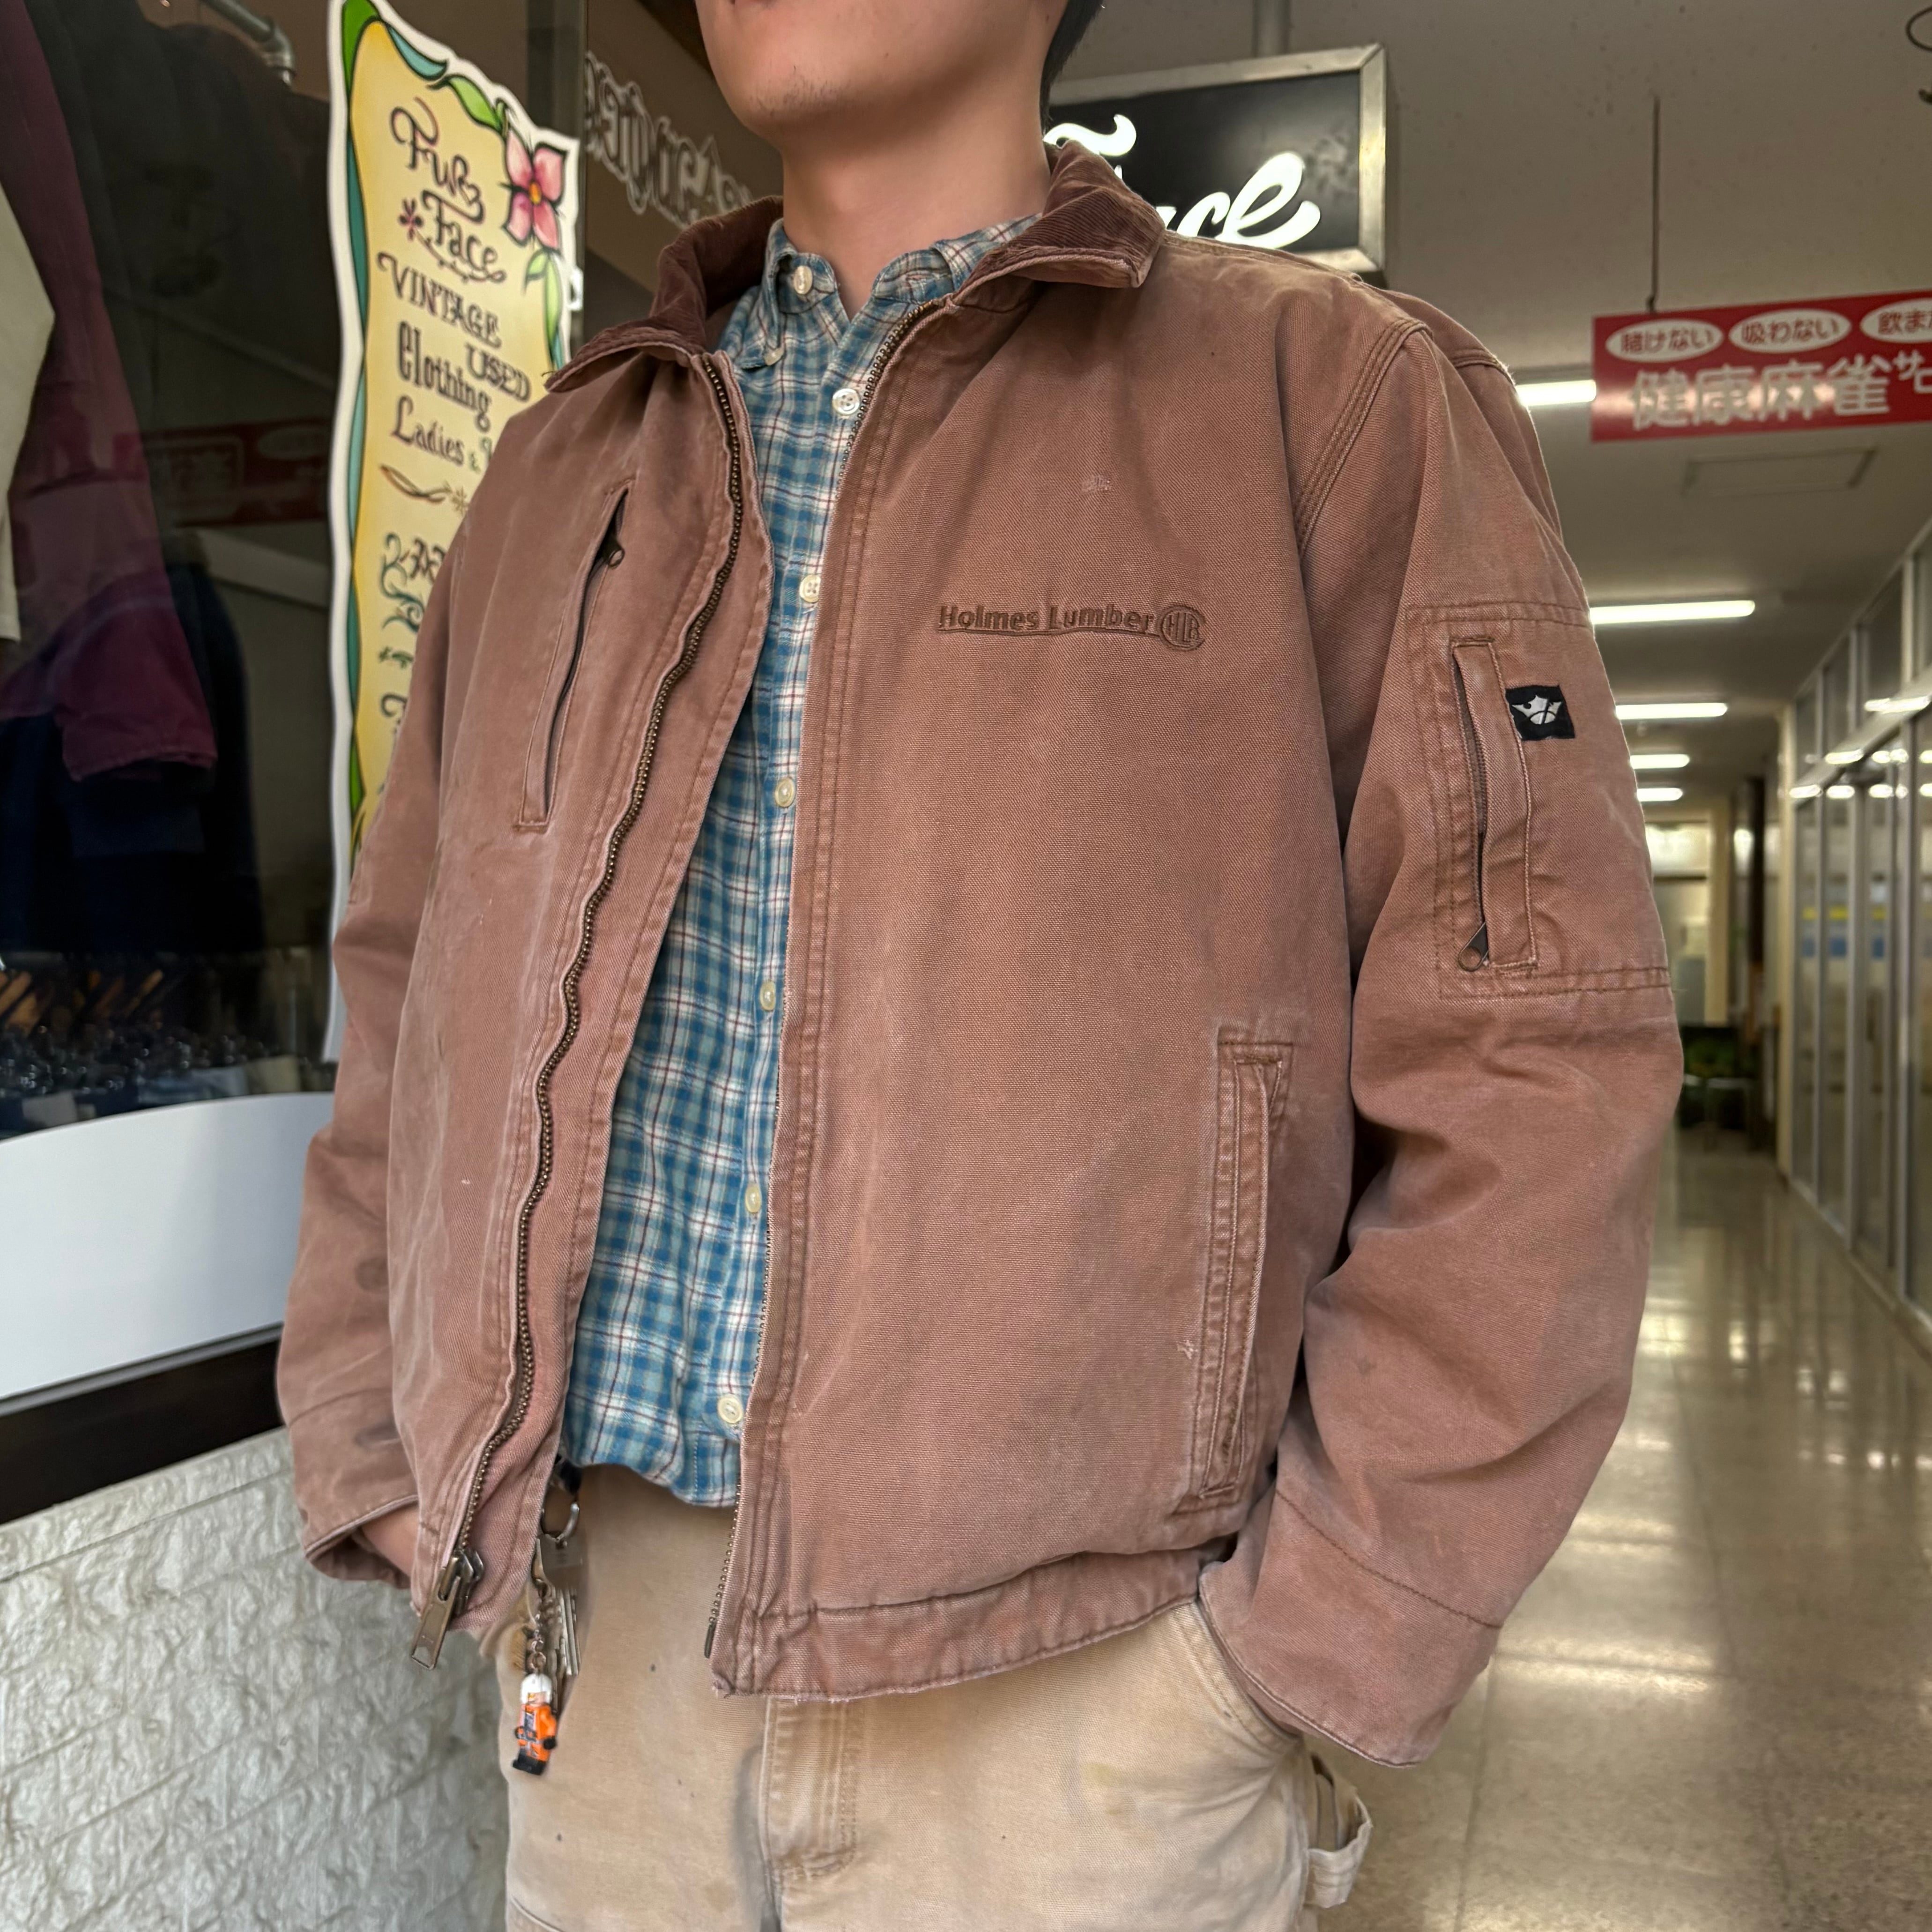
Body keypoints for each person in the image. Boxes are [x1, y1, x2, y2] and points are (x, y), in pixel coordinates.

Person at [279, 0, 1680, 1924]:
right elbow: (409, 986)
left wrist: (1292, 1647)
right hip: (608, 1679)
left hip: (1082, 1715)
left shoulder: (1328, 404)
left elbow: (1529, 1063)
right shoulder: (558, 473)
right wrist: (376, 1430)